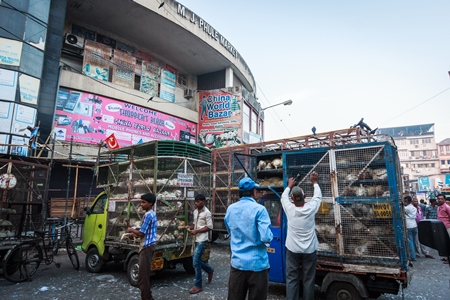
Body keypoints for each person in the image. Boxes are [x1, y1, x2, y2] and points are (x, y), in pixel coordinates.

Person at [224, 177, 273, 300]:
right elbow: (266, 237)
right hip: (257, 266)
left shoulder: (231, 209)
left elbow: (230, 230)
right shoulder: (260, 210)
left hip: (237, 265)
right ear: (253, 192)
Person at [281, 172, 322, 300]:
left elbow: (283, 197)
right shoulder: (311, 208)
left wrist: (289, 185)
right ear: (305, 197)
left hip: (292, 249)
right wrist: (315, 182)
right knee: (308, 279)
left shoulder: (289, 208)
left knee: (292, 277)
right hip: (309, 250)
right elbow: (317, 197)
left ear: (292, 199)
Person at [126, 193, 157, 300]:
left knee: (142, 277)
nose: (141, 204)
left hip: (146, 247)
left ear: (151, 203)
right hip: (149, 245)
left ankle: (147, 298)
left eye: (144, 202)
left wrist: (131, 230)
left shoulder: (148, 215)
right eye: (141, 202)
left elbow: (141, 233)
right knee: (144, 275)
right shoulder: (152, 213)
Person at [185, 194, 214, 294]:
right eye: (195, 201)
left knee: (195, 262)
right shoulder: (195, 212)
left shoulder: (207, 213)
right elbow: (196, 225)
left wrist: (196, 231)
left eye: (198, 201)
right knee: (197, 261)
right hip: (196, 239)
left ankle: (198, 286)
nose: (196, 203)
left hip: (202, 239)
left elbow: (209, 227)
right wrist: (190, 227)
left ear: (203, 201)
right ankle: (209, 270)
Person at [404, 196, 417, 261]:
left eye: (405, 201)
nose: (405, 202)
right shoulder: (414, 208)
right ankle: (414, 254)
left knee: (410, 242)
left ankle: (413, 256)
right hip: (414, 225)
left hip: (408, 226)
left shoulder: (406, 208)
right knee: (413, 241)